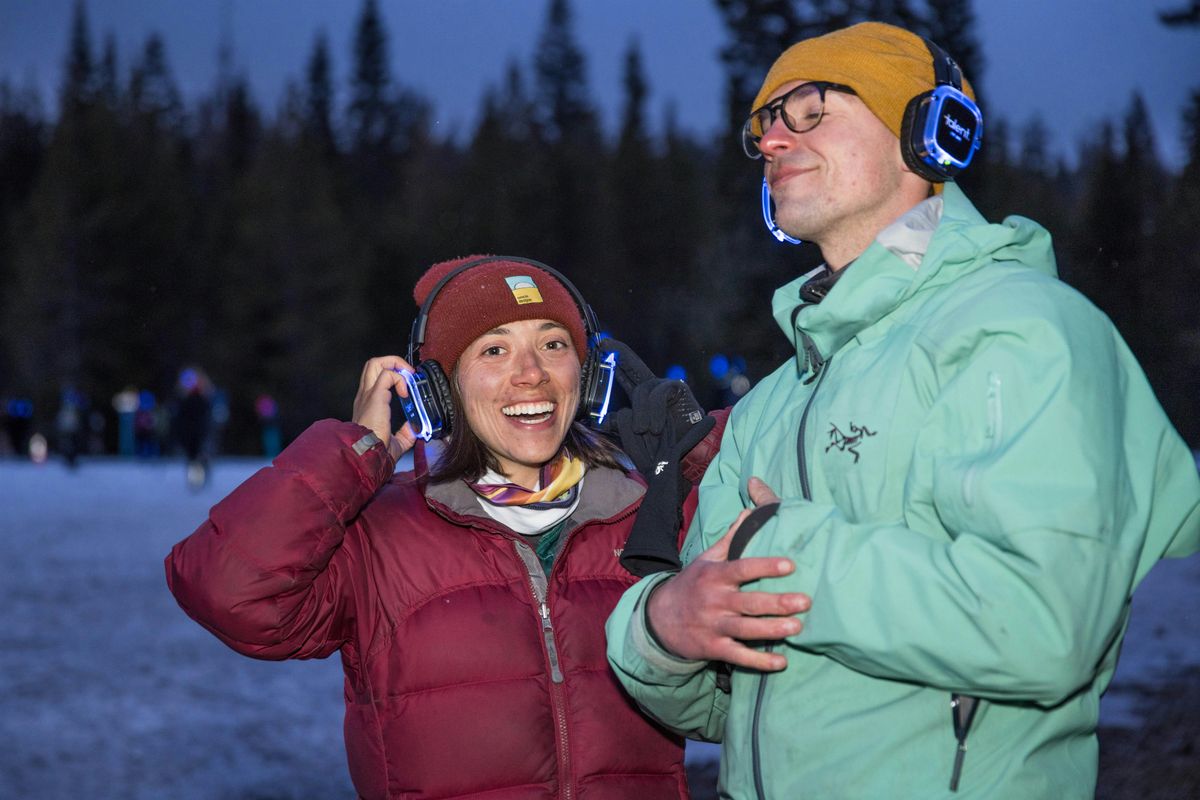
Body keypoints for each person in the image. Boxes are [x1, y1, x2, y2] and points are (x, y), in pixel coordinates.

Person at [605, 21, 1200, 799]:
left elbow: (1043, 627)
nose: (774, 141)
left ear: (928, 135)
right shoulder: (772, 405)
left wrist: (785, 551)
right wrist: (661, 630)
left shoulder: (1022, 329)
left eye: (810, 108)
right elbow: (727, 709)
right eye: (763, 125)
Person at [165, 255, 692, 799]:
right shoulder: (377, 536)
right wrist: (351, 455)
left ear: (586, 375)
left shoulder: (651, 515)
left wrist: (696, 459)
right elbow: (226, 589)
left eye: (553, 344)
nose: (532, 373)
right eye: (494, 349)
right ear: (439, 390)